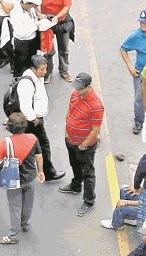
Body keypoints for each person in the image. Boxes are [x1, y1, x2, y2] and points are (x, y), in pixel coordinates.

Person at [0, 111, 44, 246]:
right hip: (30, 177)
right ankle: (25, 224)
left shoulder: (6, 142)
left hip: (13, 179)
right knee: (28, 203)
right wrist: (40, 171)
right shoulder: (32, 138)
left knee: (15, 207)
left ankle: (12, 234)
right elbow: (39, 156)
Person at [60, 71, 104, 216]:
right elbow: (69, 112)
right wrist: (67, 132)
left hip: (84, 145)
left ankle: (89, 200)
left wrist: (84, 144)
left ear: (87, 87)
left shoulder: (96, 105)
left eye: (79, 88)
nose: (76, 90)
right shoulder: (74, 94)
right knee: (74, 165)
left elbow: (96, 129)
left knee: (88, 172)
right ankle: (76, 185)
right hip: (71, 140)